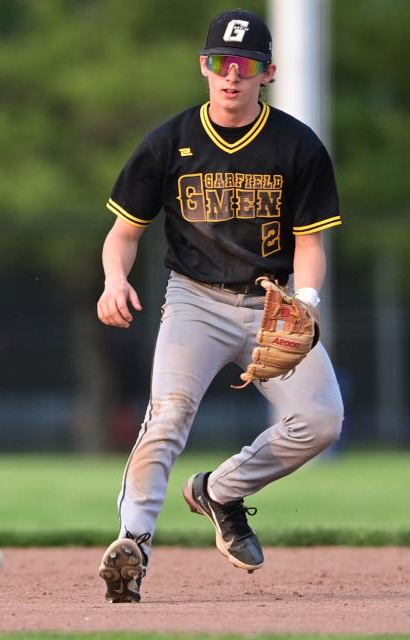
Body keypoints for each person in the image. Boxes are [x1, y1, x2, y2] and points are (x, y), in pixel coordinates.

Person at [96, 9, 344, 603]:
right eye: (220, 64)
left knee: (322, 421)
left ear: (269, 74)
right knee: (168, 418)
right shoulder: (168, 142)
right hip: (194, 302)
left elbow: (311, 245)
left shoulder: (297, 146)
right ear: (204, 69)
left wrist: (305, 303)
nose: (231, 76)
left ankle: (222, 490)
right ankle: (134, 545)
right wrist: (112, 280)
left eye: (246, 65)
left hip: (271, 302)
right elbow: (123, 233)